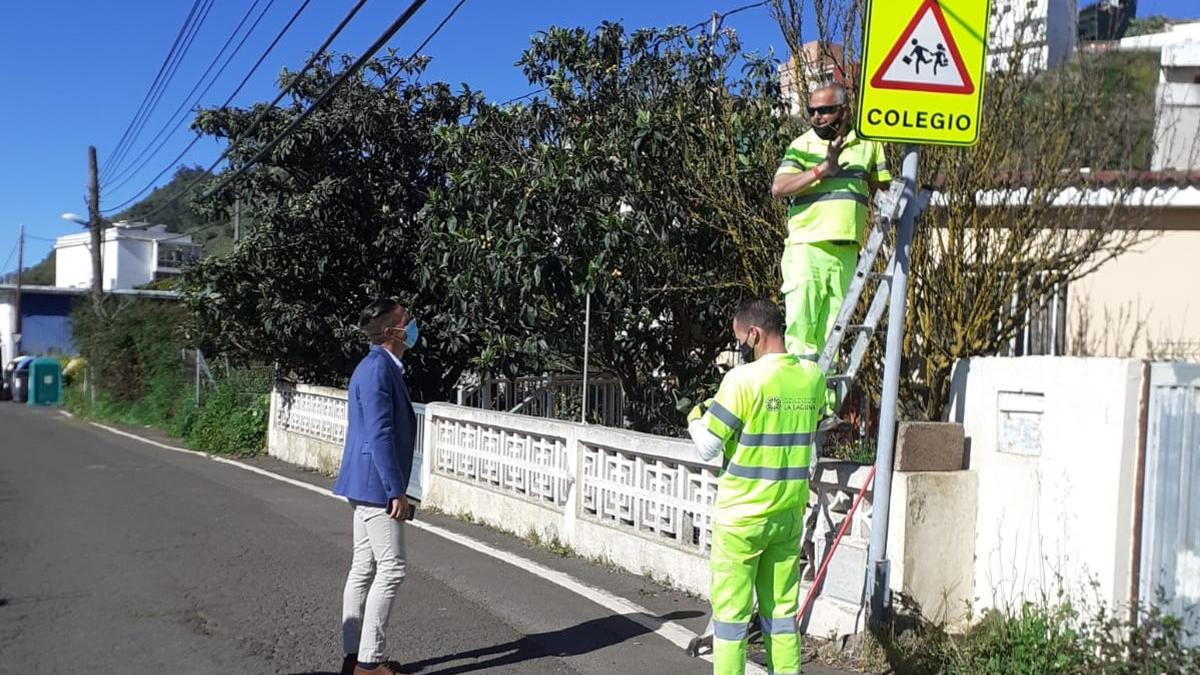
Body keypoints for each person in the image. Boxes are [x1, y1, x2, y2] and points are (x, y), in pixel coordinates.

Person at [687, 299, 826, 675]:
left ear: (754, 334)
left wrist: (695, 417)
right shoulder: (812, 376)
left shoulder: (742, 380)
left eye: (739, 339)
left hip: (741, 520)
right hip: (787, 516)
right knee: (781, 615)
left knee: (730, 622)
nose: (740, 346)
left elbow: (708, 446)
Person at [333, 298, 421, 675]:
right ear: (390, 332)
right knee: (392, 568)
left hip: (366, 481)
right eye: (406, 321)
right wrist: (395, 490)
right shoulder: (377, 371)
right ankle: (369, 663)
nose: (412, 326)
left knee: (364, 567)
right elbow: (380, 433)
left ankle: (355, 657)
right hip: (376, 485)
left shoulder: (379, 367)